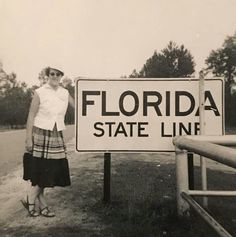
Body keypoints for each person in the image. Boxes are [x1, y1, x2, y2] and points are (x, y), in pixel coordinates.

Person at [21, 66, 75, 217]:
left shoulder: (65, 93)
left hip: (57, 134)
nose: (55, 76)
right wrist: (28, 138)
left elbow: (78, 106)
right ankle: (39, 204)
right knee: (41, 170)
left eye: (58, 74)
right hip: (40, 133)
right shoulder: (40, 92)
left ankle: (32, 199)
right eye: (52, 73)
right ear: (47, 75)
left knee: (51, 170)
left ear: (61, 76)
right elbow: (31, 115)